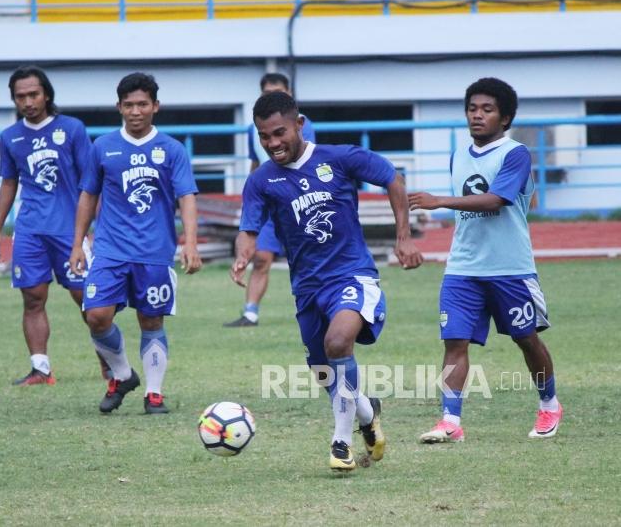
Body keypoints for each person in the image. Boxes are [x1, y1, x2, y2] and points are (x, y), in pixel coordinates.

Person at [231, 91, 422, 471]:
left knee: (338, 343)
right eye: (264, 137)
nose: (272, 143)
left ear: (299, 125)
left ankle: (340, 442)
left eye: (279, 133)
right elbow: (248, 229)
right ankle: (368, 414)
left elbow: (392, 179)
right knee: (323, 371)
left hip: (352, 275)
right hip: (307, 288)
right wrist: (242, 254)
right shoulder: (261, 180)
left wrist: (403, 237)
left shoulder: (339, 158)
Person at [410, 77, 562, 443]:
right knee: (454, 343)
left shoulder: (516, 154)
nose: (477, 115)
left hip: (510, 269)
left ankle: (549, 404)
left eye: (487, 110)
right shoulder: (458, 155)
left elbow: (496, 200)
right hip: (462, 268)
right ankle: (450, 421)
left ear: (505, 118)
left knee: (527, 340)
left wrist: (441, 201)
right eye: (472, 108)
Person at [69, 72, 202, 414]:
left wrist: (190, 243)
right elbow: (88, 195)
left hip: (155, 251)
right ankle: (125, 374)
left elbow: (186, 196)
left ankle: (153, 394)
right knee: (96, 316)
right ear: (119, 107)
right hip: (111, 249)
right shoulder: (103, 146)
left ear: (155, 106)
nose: (135, 111)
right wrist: (77, 243)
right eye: (128, 105)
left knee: (151, 321)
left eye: (143, 104)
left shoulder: (172, 150)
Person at [0, 65, 95, 386]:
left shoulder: (72, 129)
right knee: (33, 299)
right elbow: (9, 183)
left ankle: (110, 361)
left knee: (88, 300)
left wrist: (94, 228)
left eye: (33, 94)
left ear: (46, 94)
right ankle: (41, 369)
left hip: (69, 229)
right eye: (21, 96)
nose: (28, 101)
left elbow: (91, 182)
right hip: (30, 230)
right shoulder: (10, 137)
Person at [224, 72, 316, 327]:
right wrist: (250, 200)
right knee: (262, 257)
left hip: (297, 202)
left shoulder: (303, 124)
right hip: (267, 201)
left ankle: (321, 305)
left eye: (278, 91)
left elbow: (307, 162)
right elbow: (256, 162)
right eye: (267, 93)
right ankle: (250, 313)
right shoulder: (253, 129)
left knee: (309, 257)